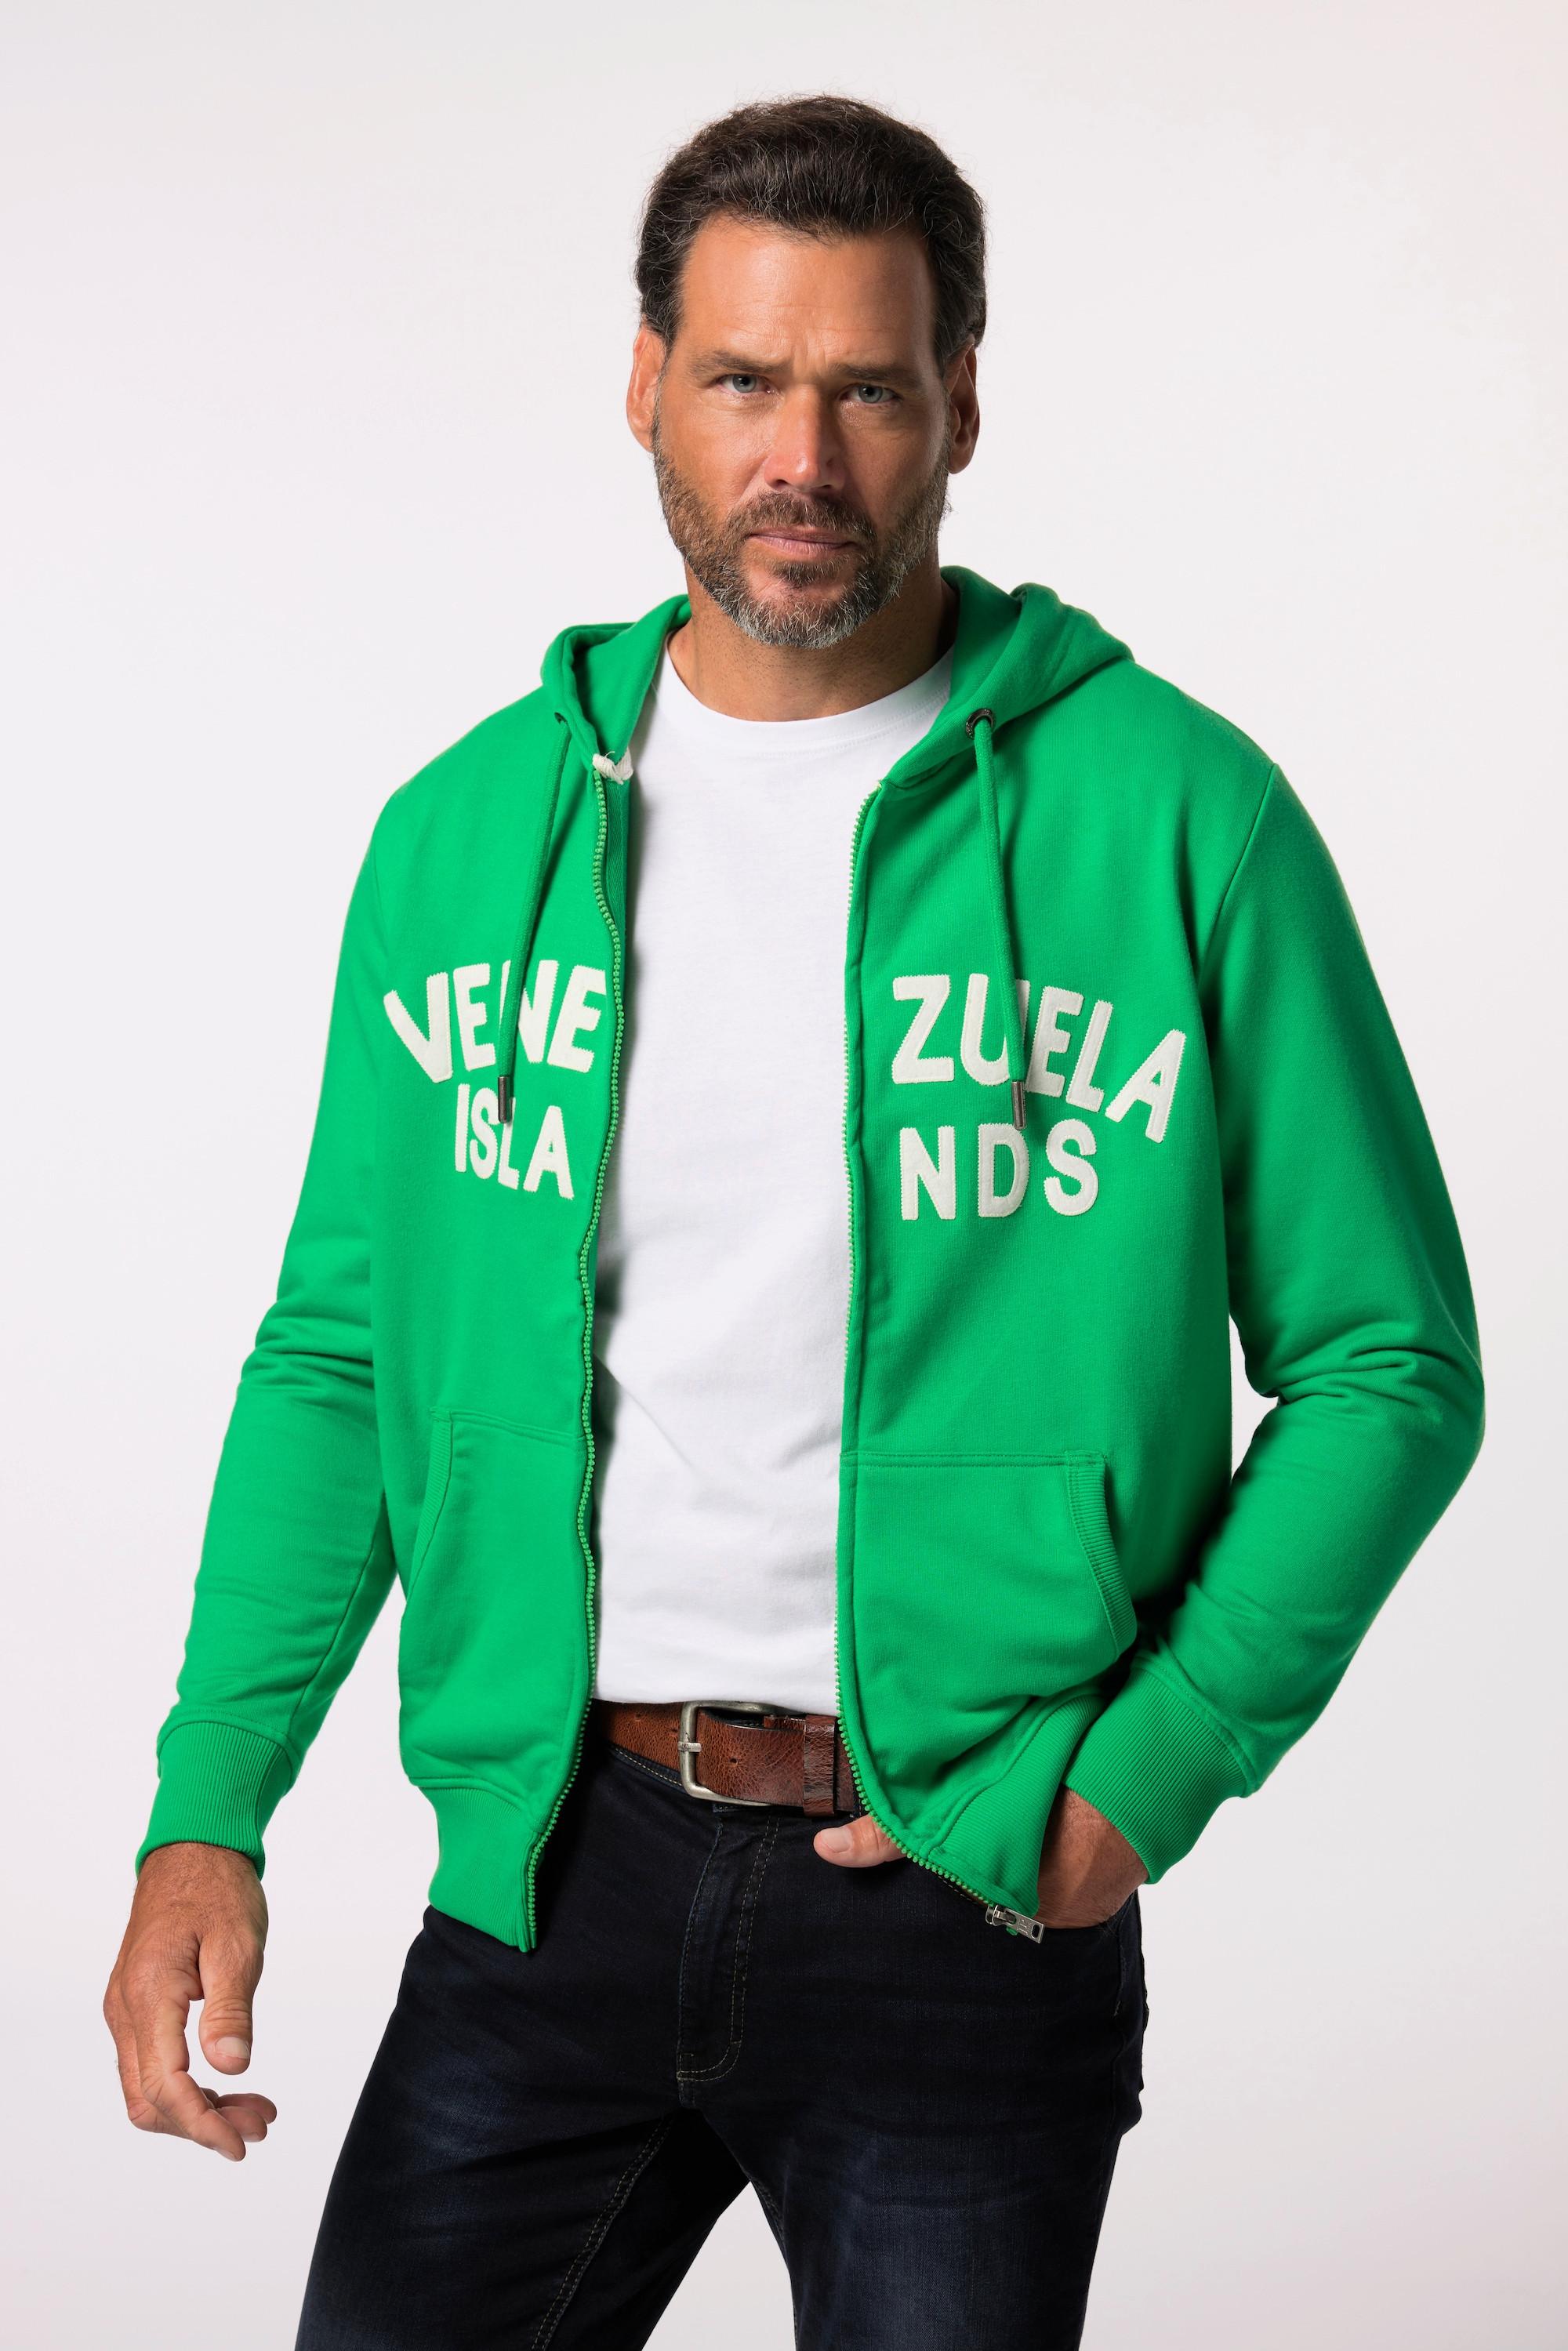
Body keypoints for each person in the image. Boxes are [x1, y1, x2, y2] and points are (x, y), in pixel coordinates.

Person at [103, 92, 1485, 2351]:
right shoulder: (465, 838)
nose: (802, 457)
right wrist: (207, 1806)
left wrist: (1138, 1782)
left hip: (962, 1886)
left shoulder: (1179, 820)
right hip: (552, 1861)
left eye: (868, 388)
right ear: (648, 383)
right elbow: (342, 1356)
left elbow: (1388, 1364)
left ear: (963, 405)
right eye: (746, 379)